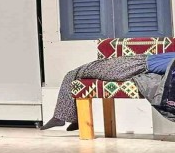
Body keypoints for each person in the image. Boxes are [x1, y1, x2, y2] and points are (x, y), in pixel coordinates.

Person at [41, 52, 175, 130]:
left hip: (132, 66)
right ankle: (71, 118)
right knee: (75, 73)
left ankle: (61, 117)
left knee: (74, 73)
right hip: (134, 62)